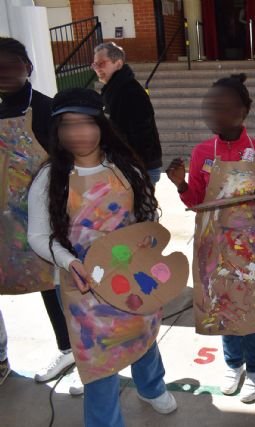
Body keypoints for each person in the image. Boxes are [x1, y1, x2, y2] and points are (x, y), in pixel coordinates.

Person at [27, 88, 176, 426]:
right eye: (68, 124)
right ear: (57, 130)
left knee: (143, 335)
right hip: (82, 286)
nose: (78, 132)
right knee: (98, 360)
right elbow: (37, 235)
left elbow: (147, 215)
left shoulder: (125, 169)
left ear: (101, 124)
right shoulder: (50, 178)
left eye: (86, 122)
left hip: (132, 276)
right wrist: (68, 261)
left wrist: (148, 239)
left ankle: (151, 387)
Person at [167, 73, 255, 403]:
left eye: (226, 106)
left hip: (251, 245)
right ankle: (234, 365)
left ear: (244, 110)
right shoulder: (202, 152)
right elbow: (196, 201)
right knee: (223, 303)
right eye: (213, 107)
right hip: (213, 243)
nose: (218, 113)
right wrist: (181, 184)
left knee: (253, 306)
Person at [0, 36, 78, 392]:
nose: (3, 74)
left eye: (9, 66)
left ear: (28, 67)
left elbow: (70, 164)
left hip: (44, 217)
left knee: (55, 286)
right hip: (3, 220)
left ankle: (71, 351)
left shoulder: (48, 109)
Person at [92, 42, 163, 184]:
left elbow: (140, 135)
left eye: (101, 63)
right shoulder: (114, 89)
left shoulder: (129, 91)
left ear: (118, 63)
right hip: (132, 166)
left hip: (139, 168)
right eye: (94, 65)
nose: (97, 68)